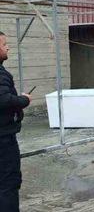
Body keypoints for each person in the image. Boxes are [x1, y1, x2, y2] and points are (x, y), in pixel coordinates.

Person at [0, 31, 31, 212]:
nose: (8, 47)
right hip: (3, 140)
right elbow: (3, 100)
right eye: (4, 45)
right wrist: (24, 100)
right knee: (8, 183)